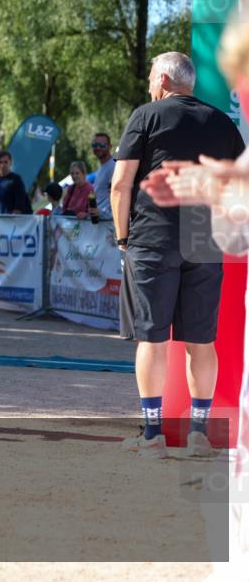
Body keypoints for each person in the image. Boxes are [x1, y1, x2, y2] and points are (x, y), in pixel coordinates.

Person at [111, 51, 245, 458]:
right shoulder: (221, 121)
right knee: (201, 341)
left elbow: (120, 184)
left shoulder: (146, 115)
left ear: (165, 81)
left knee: (152, 338)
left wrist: (122, 239)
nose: (150, 85)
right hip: (204, 240)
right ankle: (199, 435)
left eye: (152, 78)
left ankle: (152, 436)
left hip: (153, 238)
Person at [90, 133, 114, 219]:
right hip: (100, 220)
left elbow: (116, 195)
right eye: (95, 145)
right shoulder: (101, 167)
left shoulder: (113, 166)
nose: (98, 148)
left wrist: (102, 213)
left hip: (108, 223)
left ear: (110, 147)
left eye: (102, 145)